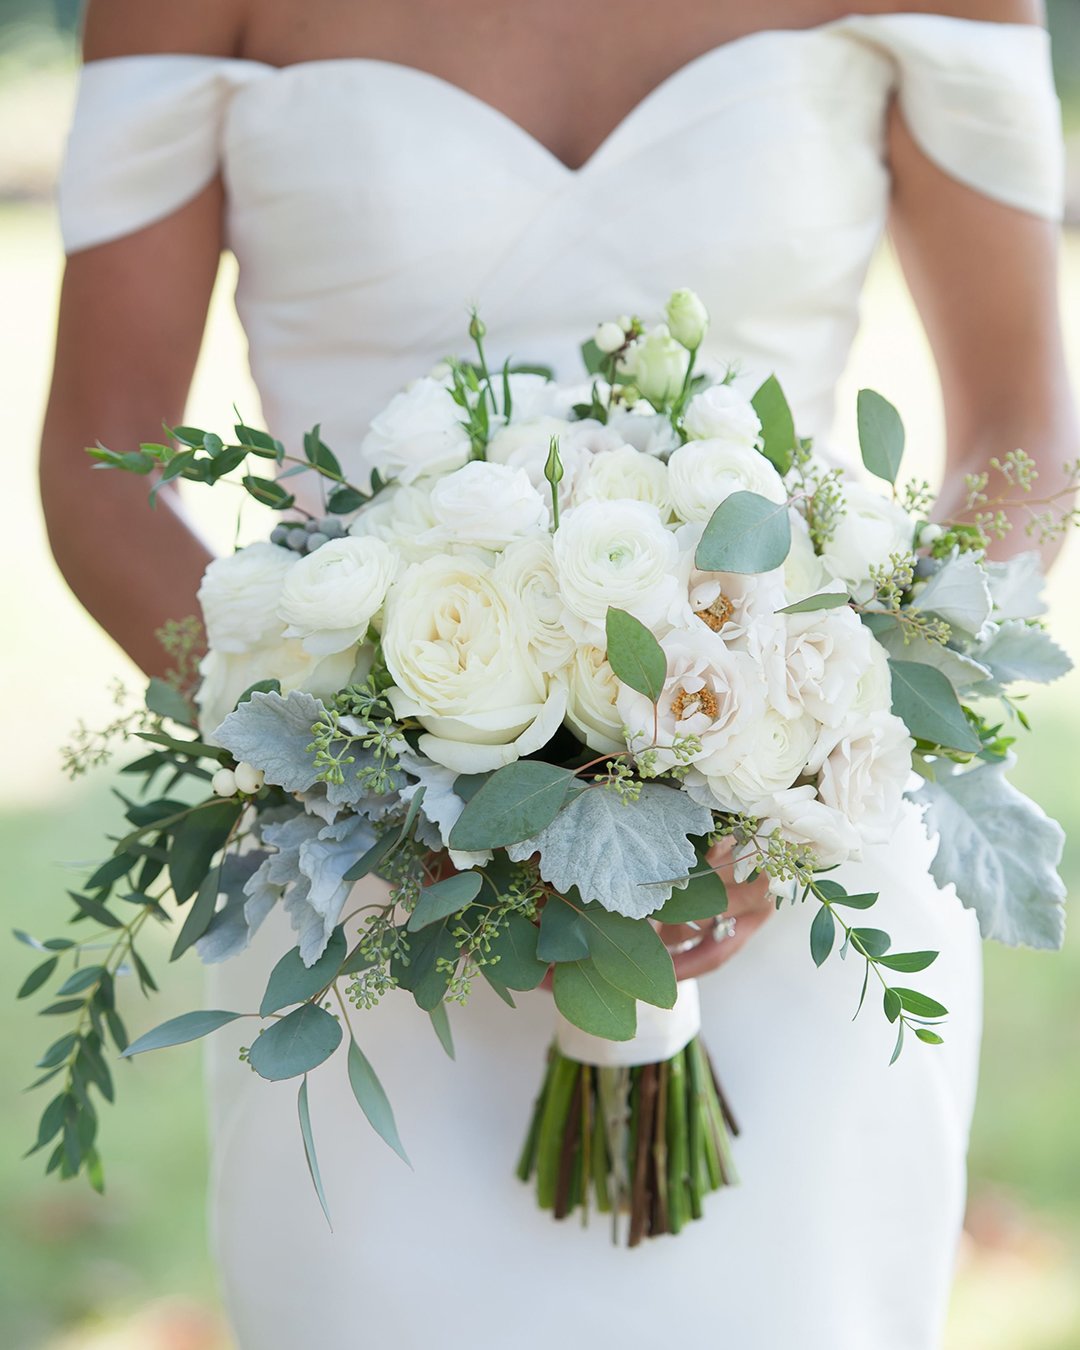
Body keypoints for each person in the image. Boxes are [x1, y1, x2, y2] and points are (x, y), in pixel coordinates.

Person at [40, 1, 1076, 1346]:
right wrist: (373, 775)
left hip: (802, 885)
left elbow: (1025, 431)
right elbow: (98, 463)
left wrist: (807, 742)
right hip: (369, 923)